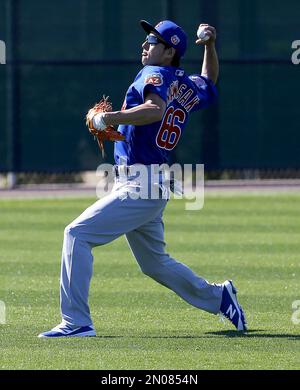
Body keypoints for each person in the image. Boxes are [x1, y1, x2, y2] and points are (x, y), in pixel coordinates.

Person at [38, 20, 247, 338]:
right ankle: (219, 297)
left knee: (77, 235)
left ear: (169, 52)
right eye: (147, 39)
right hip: (150, 183)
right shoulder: (184, 82)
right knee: (155, 264)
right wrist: (210, 46)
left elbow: (153, 109)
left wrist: (108, 117)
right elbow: (209, 80)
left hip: (141, 185)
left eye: (153, 40)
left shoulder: (155, 75)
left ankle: (76, 322)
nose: (145, 45)